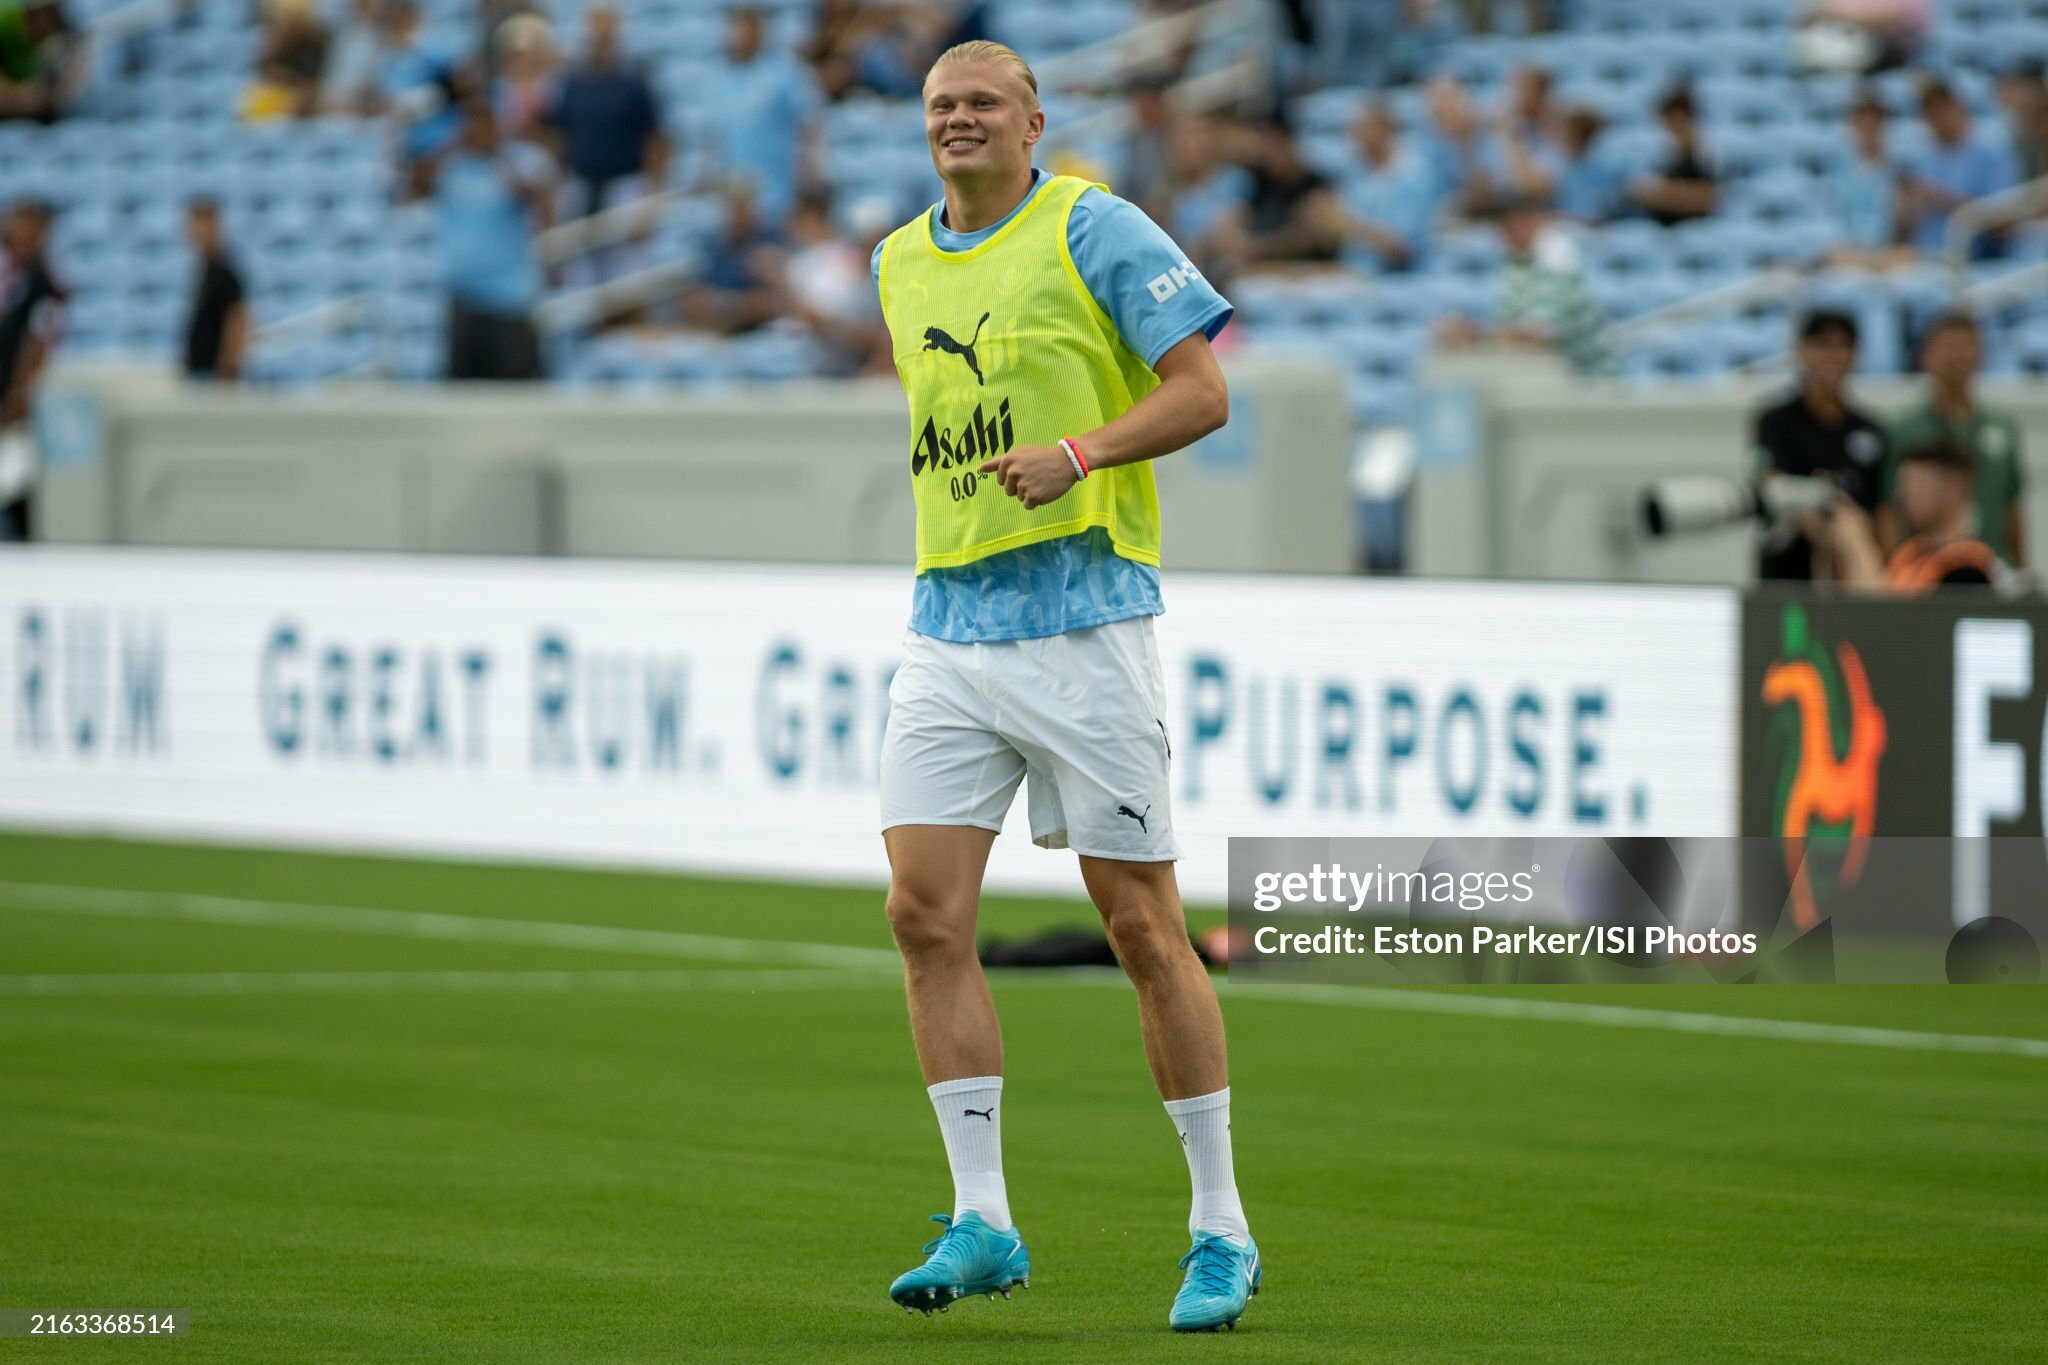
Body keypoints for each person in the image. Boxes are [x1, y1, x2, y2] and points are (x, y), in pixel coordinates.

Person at [868, 39, 1254, 1334]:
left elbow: (1203, 392)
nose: (959, 120)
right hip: (946, 629)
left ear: (1035, 119)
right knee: (923, 915)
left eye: (982, 103)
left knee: (1143, 928)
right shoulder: (896, 259)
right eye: (940, 107)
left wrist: (1081, 451)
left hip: (1085, 624)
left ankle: (1221, 1228)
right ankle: (983, 1219)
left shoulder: (1093, 224)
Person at [409, 97, 551, 381]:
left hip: (508, 296)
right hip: (463, 294)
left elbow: (533, 196)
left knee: (512, 383)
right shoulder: (453, 166)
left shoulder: (517, 161)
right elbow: (416, 184)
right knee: (462, 387)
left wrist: (498, 154)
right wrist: (452, 145)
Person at [1751, 311, 1887, 582]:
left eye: (1843, 345)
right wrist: (1821, 512)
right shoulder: (1777, 421)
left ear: (1855, 355)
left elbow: (1882, 508)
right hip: (1788, 569)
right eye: (1823, 344)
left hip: (1852, 573)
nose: (1832, 355)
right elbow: (1771, 484)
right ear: (1803, 351)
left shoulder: (1870, 429)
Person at [1883, 313, 2026, 568]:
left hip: (1991, 566)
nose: (1957, 356)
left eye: (1966, 346)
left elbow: (2012, 505)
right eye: (1948, 346)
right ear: (1926, 355)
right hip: (1926, 572)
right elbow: (1891, 509)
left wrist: (2019, 567)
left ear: (1981, 354)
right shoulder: (1905, 428)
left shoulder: (2001, 426)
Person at [545, 6, 665, 290]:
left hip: (624, 184)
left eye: (606, 25)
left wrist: (649, 201)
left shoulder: (632, 80)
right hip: (582, 184)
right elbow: (560, 139)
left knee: (624, 277)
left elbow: (655, 142)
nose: (600, 33)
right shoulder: (574, 81)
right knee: (579, 274)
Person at [1439, 194, 1611, 375]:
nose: (1505, 233)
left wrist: (1476, 336)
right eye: (1502, 226)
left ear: (1535, 221)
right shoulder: (1514, 264)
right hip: (1549, 378)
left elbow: (1537, 336)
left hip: (1589, 381)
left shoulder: (1561, 260)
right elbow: (1512, 325)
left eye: (1513, 224)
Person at [1825, 439, 2007, 594]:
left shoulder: (1969, 565)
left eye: (1917, 483)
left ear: (1955, 488)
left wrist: (1859, 544)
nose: (1906, 494)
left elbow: (1899, 623)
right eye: (1903, 484)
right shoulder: (1908, 552)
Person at [701, 6, 820, 231]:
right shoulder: (718, 79)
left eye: (751, 25)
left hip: (776, 196)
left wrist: (807, 177)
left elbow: (810, 124)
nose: (744, 33)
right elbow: (711, 139)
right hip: (732, 202)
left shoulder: (785, 73)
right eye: (740, 26)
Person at [0, 200, 63, 540]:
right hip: (10, 394)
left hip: (18, 401)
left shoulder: (42, 280)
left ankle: (23, 546)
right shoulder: (20, 274)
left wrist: (19, 396)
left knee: (18, 482)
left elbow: (39, 342)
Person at [1900, 80, 2019, 257]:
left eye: (1940, 111)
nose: (1936, 120)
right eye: (1929, 114)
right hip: (1925, 258)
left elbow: (2003, 224)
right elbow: (1908, 227)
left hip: (1976, 261)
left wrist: (1940, 199)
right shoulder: (1923, 158)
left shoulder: (1991, 151)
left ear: (1956, 107)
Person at [1338, 101, 1438, 273]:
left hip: (1402, 281)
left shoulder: (1414, 174)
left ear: (1384, 129)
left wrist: (1348, 225)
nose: (1356, 137)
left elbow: (1402, 249)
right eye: (1353, 130)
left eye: (1362, 129)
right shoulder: (1355, 174)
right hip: (1355, 275)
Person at [1827, 92, 1908, 269]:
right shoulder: (1840, 172)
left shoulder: (1901, 170)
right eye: (1862, 125)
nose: (1868, 131)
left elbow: (1902, 225)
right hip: (1851, 252)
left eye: (1874, 125)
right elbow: (1840, 221)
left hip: (1889, 253)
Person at [1628, 87, 1717, 226]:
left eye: (1679, 121)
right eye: (1668, 123)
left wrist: (1669, 195)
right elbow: (1638, 193)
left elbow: (1708, 200)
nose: (1673, 128)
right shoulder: (1658, 152)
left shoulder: (1710, 153)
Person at [182, 200, 249, 383]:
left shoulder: (225, 274)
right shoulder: (204, 271)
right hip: (199, 372)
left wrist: (228, 368)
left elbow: (238, 321)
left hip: (214, 376)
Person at [0, 0, 83, 123]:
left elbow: (79, 56)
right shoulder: (6, 21)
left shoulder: (64, 29)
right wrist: (24, 99)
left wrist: (59, 93)